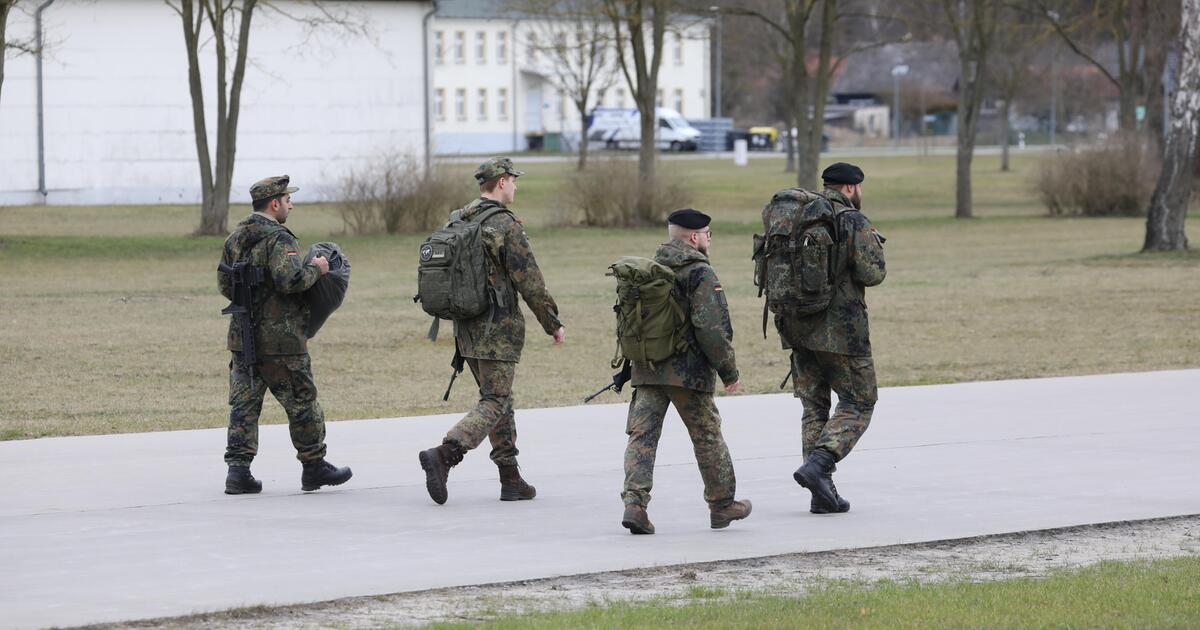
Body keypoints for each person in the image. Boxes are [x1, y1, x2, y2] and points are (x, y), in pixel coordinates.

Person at [418, 157, 565, 505]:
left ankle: (510, 478)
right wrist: (553, 323)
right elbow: (529, 280)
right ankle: (446, 453)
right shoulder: (504, 225)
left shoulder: (460, 217)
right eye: (513, 180)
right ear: (501, 182)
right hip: (497, 327)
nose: (516, 186)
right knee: (495, 399)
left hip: (465, 326)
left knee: (500, 399)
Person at [218, 175, 353, 495]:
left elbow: (225, 285)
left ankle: (238, 472)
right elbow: (290, 279)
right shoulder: (279, 239)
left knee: (243, 405)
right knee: (302, 401)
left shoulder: (235, 238)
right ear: (274, 204)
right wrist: (318, 268)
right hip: (282, 340)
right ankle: (314, 465)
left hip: (243, 336)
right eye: (287, 200)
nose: (291, 204)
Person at [620, 209, 752, 535]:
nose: (709, 240)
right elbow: (711, 328)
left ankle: (635, 505)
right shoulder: (700, 273)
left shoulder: (650, 269)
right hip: (687, 373)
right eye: (708, 234)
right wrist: (729, 372)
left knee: (642, 437)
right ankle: (722, 505)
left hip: (647, 367)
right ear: (694, 237)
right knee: (707, 435)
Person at [778, 162, 886, 514]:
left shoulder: (798, 216)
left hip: (797, 327)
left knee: (814, 408)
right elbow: (873, 274)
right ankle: (820, 465)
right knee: (859, 403)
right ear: (852, 188)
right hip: (841, 332)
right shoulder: (851, 219)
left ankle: (820, 494)